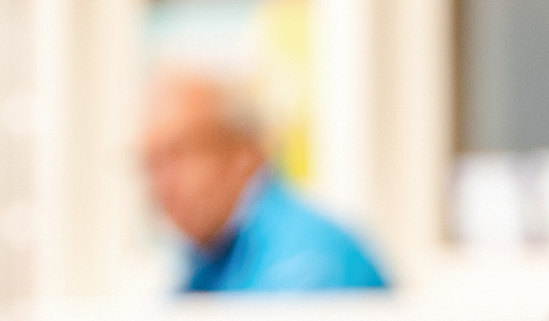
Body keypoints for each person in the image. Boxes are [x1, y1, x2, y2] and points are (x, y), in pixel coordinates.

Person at [137, 61, 392, 294]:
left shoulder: (311, 253)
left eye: (179, 153)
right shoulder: (206, 261)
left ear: (243, 153)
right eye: (151, 163)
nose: (162, 182)